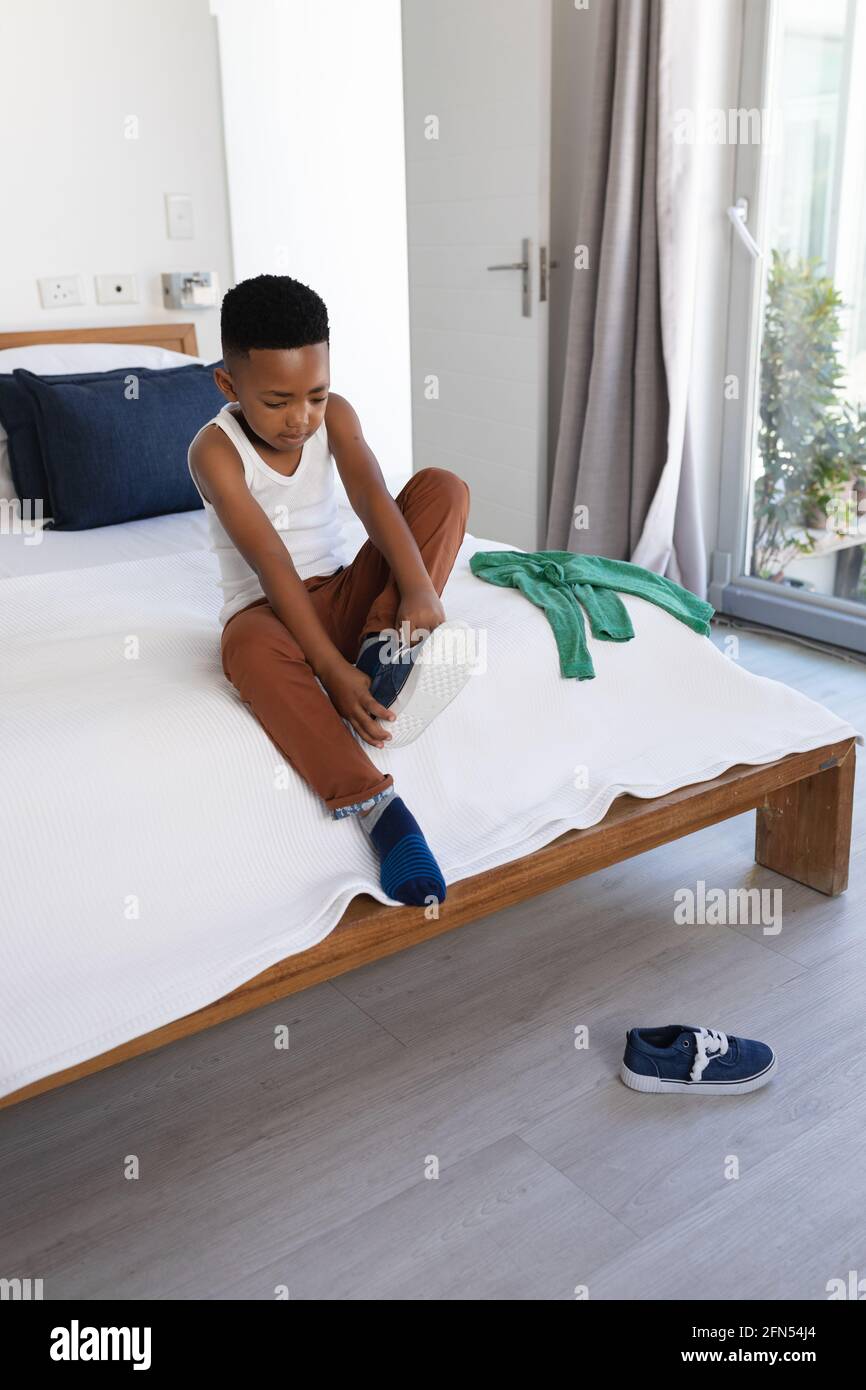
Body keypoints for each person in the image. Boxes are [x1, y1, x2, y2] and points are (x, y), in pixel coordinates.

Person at [188, 274, 471, 906]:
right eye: (278, 401)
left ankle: (384, 650)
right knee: (248, 650)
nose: (301, 419)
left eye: (315, 395)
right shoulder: (215, 451)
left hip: (345, 594)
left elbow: (372, 497)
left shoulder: (335, 417)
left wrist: (419, 588)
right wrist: (329, 673)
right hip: (270, 609)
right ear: (230, 386)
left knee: (443, 488)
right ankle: (378, 809)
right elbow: (271, 564)